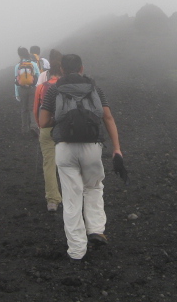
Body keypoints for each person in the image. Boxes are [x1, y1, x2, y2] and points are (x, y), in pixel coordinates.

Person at [39, 54, 124, 262]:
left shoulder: (53, 90)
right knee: (93, 187)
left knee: (71, 197)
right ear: (81, 68)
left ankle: (77, 250)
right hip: (92, 145)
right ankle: (95, 229)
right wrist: (117, 148)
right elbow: (108, 117)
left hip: (65, 149)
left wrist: (62, 120)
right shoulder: (94, 89)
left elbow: (42, 122)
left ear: (61, 69)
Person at [33, 49, 63, 212]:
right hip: (65, 126)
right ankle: (72, 193)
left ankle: (52, 199)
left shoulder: (43, 83)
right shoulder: (67, 82)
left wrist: (40, 124)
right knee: (68, 162)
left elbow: (36, 107)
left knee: (49, 163)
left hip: (47, 126)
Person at [14, 47, 40, 137]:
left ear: (20, 55)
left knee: (24, 109)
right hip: (32, 88)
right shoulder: (33, 64)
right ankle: (34, 126)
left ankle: (24, 129)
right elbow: (38, 76)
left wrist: (17, 94)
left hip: (22, 89)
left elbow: (16, 80)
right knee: (32, 108)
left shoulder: (18, 66)